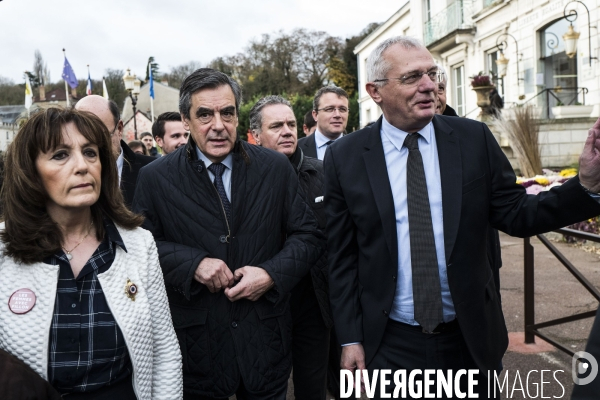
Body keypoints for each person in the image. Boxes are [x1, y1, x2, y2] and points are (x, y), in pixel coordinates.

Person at [324, 36, 600, 399]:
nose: (429, 86)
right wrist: (350, 338)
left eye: (432, 73)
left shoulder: (473, 140)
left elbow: (517, 213)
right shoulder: (346, 157)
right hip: (388, 345)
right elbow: (340, 258)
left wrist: (586, 185)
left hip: (468, 341)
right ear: (375, 91)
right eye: (411, 77)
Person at [132, 68, 324, 400]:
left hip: (266, 341)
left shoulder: (275, 168)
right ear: (186, 121)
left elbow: (308, 235)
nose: (218, 125)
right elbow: (141, 247)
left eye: (227, 113)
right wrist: (192, 264)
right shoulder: (155, 177)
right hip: (197, 351)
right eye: (204, 114)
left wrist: (270, 274)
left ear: (238, 116)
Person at [0, 107, 182, 399]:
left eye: (90, 152)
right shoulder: (4, 250)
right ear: (31, 171)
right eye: (60, 155)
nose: (82, 165)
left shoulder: (138, 244)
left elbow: (164, 352)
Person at [250, 95, 332, 400]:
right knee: (267, 387)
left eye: (291, 124)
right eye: (276, 126)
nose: (287, 131)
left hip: (315, 301)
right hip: (265, 303)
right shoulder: (244, 180)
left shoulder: (322, 173)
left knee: (313, 386)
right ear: (255, 136)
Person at [435, 66, 503, 302]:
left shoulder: (475, 137)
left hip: (475, 273)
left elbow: (508, 202)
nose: (433, 93)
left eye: (440, 88)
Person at [75, 96, 155, 208]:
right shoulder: (67, 176)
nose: (94, 147)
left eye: (102, 136)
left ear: (119, 129)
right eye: (84, 138)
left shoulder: (154, 171)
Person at [298, 86, 349, 160]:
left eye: (342, 109)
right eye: (330, 109)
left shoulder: (359, 147)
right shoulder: (297, 149)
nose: (337, 115)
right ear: (315, 115)